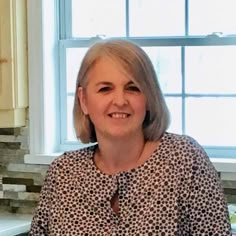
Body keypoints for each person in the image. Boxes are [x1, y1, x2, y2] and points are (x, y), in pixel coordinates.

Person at [29, 39, 231, 235]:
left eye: (133, 88)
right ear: (84, 100)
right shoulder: (63, 173)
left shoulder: (185, 160)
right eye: (105, 89)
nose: (119, 100)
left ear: (149, 98)